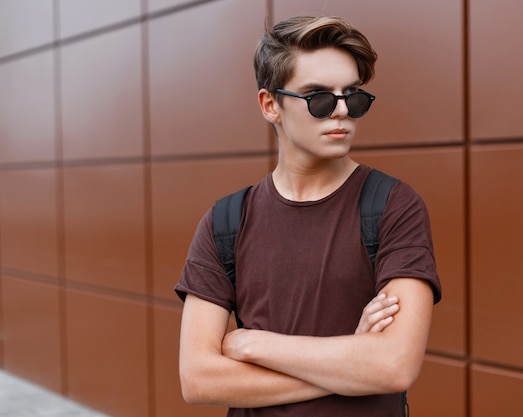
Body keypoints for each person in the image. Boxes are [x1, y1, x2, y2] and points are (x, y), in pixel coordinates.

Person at [174, 14, 442, 417]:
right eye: (318, 97)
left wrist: (255, 345)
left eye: (351, 96)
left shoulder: (392, 206)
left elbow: (393, 366)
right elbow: (198, 379)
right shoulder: (225, 221)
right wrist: (351, 360)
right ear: (270, 105)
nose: (340, 112)